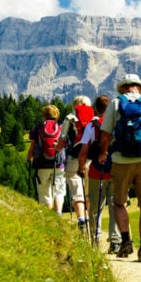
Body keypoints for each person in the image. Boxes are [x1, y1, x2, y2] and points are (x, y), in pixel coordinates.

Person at [97, 73, 141, 262]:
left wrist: (103, 153)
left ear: (123, 88)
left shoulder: (115, 104)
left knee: (119, 202)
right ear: (138, 87)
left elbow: (105, 135)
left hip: (121, 160)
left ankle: (126, 242)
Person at [79, 94, 122, 252]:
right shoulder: (117, 124)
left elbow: (84, 151)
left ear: (95, 109)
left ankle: (95, 240)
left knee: (95, 208)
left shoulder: (92, 126)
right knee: (116, 206)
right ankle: (116, 241)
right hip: (117, 170)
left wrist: (81, 168)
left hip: (97, 171)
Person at [60, 95, 93, 232]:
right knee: (89, 192)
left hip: (74, 159)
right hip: (91, 159)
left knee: (77, 193)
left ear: (75, 106)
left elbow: (61, 141)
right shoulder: (94, 119)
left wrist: (57, 149)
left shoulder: (69, 119)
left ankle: (82, 222)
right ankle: (90, 219)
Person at [27, 104, 67, 215]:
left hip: (41, 164)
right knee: (59, 191)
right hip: (58, 164)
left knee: (44, 192)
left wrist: (29, 157)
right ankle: (58, 213)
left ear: (44, 115)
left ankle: (47, 217)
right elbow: (65, 144)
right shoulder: (61, 127)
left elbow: (32, 146)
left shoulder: (38, 128)